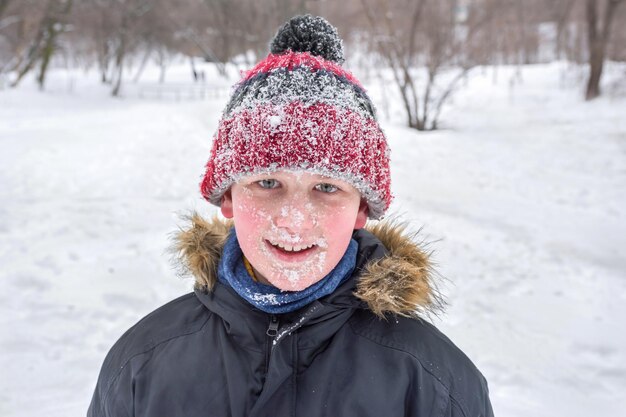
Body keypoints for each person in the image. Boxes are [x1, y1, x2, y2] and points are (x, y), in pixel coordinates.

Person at [88, 15, 494, 417]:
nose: (294, 220)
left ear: (361, 209)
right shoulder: (141, 366)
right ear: (227, 198)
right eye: (267, 183)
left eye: (327, 187)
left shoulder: (434, 386)